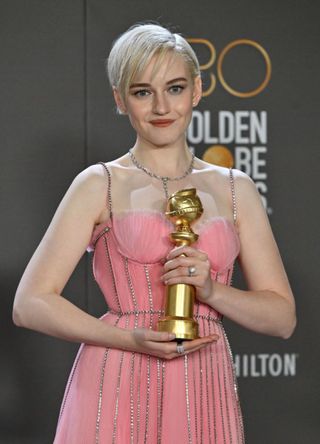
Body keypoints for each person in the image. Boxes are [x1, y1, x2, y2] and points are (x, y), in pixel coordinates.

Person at [13, 23, 296, 443]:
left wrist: (213, 293)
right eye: (143, 92)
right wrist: (129, 338)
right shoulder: (99, 183)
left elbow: (282, 318)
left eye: (176, 88)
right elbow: (30, 304)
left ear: (197, 90)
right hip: (116, 373)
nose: (162, 106)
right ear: (120, 99)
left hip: (202, 377)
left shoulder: (237, 189)